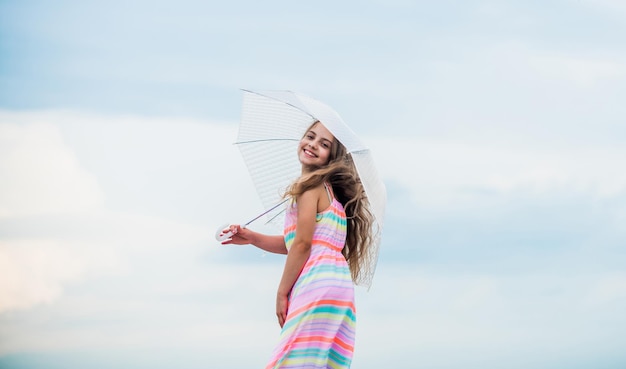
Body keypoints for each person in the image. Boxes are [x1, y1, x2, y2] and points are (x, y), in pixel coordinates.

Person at [220, 120, 374, 368]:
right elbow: (296, 243)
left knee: (292, 359)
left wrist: (282, 292)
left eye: (323, 144)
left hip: (316, 282)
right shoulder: (329, 193)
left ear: (330, 157)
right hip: (339, 286)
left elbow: (302, 245)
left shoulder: (310, 188)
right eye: (310, 137)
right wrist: (251, 237)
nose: (312, 145)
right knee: (318, 362)